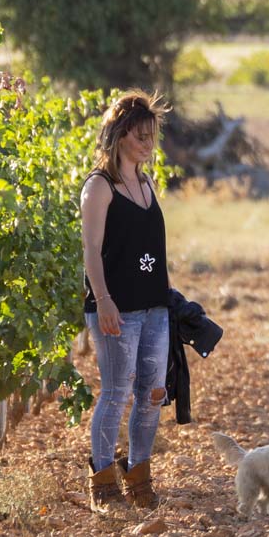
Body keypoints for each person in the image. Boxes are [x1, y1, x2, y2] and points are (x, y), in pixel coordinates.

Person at [80, 90, 173, 514]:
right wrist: (103, 301)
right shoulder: (100, 187)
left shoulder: (147, 181)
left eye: (151, 136)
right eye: (140, 136)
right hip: (117, 307)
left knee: (152, 394)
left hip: (155, 306)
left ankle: (138, 475)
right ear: (119, 136)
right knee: (116, 393)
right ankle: (102, 482)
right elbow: (92, 251)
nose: (148, 144)